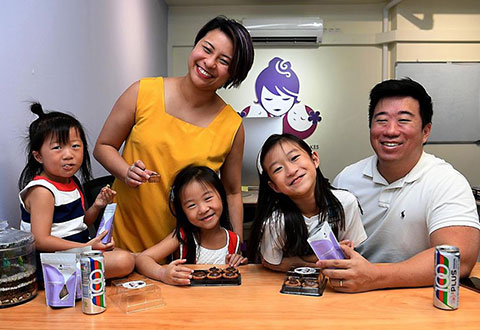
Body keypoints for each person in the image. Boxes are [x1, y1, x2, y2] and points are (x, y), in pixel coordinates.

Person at [93, 16, 254, 255]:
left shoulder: (231, 125)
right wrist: (125, 172)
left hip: (185, 249)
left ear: (233, 74)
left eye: (223, 61)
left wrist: (236, 246)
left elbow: (232, 192)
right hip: (123, 240)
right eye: (206, 49)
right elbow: (103, 146)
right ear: (195, 45)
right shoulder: (143, 92)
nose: (209, 63)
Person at [317, 78, 480, 292]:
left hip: (420, 298)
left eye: (404, 120)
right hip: (352, 293)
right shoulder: (348, 178)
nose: (391, 131)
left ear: (426, 131)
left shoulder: (446, 182)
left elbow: (459, 258)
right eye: (381, 120)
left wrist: (374, 277)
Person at [18, 103, 135, 280]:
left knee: (127, 255)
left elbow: (81, 223)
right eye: (57, 147)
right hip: (50, 263)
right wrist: (86, 247)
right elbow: (40, 240)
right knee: (125, 261)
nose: (68, 154)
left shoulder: (71, 182)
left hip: (75, 251)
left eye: (75, 146)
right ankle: (69, 286)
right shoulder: (42, 191)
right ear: (38, 156)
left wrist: (97, 205)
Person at [247, 134, 367, 272]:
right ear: (274, 186)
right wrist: (323, 256)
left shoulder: (345, 203)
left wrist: (297, 261)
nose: (291, 171)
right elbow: (271, 263)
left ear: (314, 159)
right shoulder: (275, 222)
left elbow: (349, 256)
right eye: (278, 169)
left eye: (294, 158)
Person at [136, 165, 247, 285]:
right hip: (187, 301)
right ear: (182, 211)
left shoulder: (234, 239)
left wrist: (239, 261)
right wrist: (162, 273)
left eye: (208, 198)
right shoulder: (181, 237)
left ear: (221, 196)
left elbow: (241, 270)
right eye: (191, 205)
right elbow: (142, 259)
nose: (203, 209)